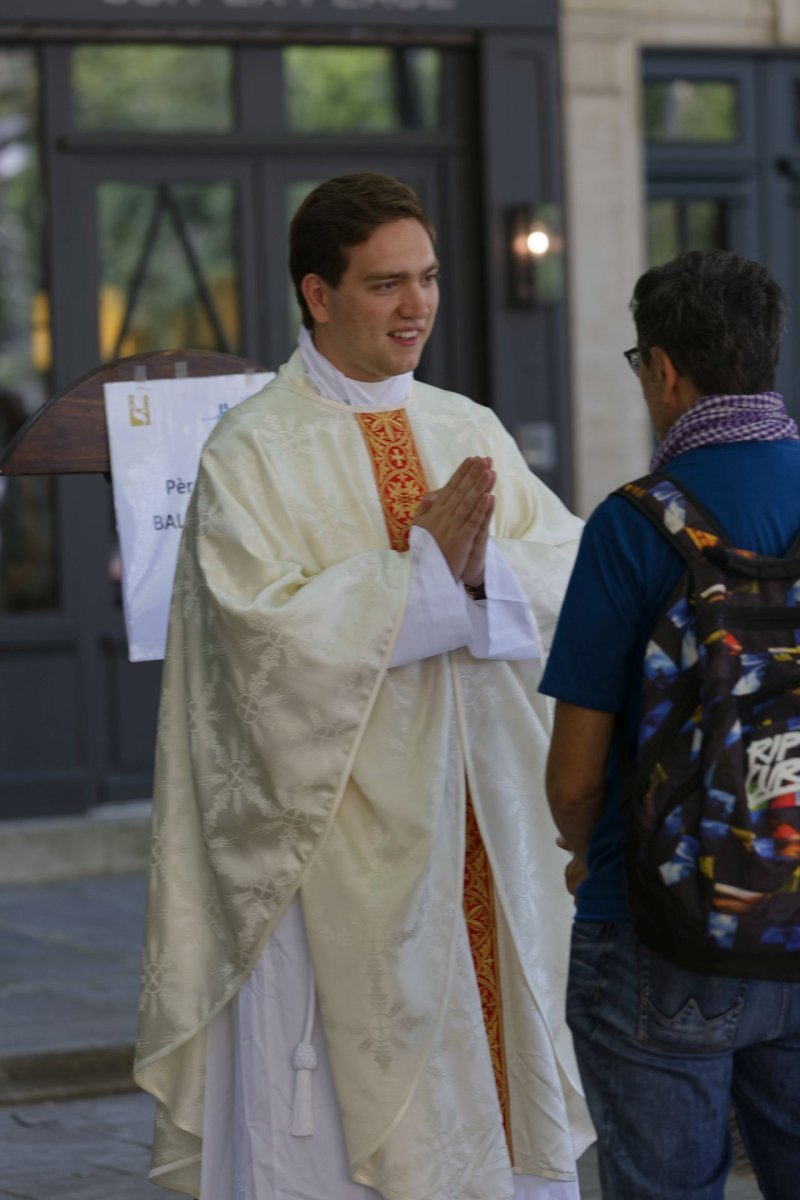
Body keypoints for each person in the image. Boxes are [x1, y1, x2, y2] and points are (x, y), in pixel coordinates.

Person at [134, 172, 593, 1200]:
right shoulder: (252, 448)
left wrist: (478, 571)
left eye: (425, 279)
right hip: (329, 845)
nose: (417, 305)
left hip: (482, 823)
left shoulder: (465, 425)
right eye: (386, 284)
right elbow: (258, 637)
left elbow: (566, 563)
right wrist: (420, 572)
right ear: (317, 293)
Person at [541, 249, 800, 1200]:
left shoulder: (636, 524)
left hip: (662, 924)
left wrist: (587, 854)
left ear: (664, 372)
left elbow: (575, 774)